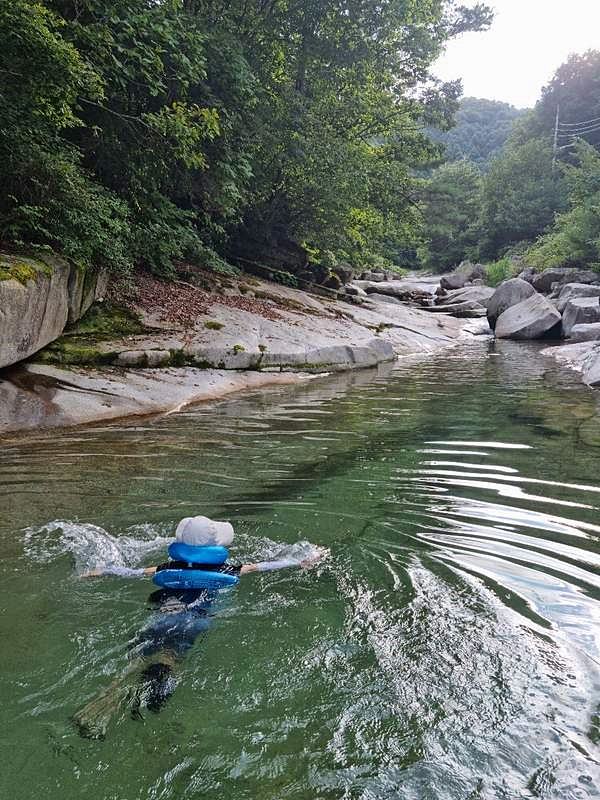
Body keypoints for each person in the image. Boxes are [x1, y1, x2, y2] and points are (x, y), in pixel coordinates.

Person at [74, 516, 324, 738]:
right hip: (192, 622)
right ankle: (152, 694)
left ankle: (96, 708)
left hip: (161, 618)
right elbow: (264, 566)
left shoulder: (167, 568)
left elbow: (130, 572)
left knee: (136, 662)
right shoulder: (226, 569)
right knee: (170, 660)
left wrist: (97, 572)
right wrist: (303, 560)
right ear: (214, 546)